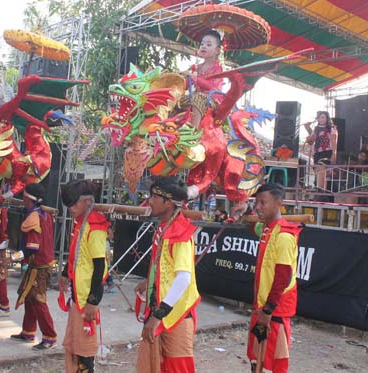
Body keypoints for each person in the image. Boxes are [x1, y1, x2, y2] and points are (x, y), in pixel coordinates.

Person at [135, 176, 200, 372]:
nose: (150, 201)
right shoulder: (166, 227)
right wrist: (150, 283)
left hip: (176, 315)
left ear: (169, 202)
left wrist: (157, 316)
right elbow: (167, 267)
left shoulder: (180, 233)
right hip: (162, 310)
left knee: (176, 367)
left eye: (154, 197)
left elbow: (183, 279)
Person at [247, 184, 301, 373]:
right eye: (256, 202)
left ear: (278, 203)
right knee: (256, 359)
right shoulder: (267, 228)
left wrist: (268, 310)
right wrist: (244, 210)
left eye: (263, 202)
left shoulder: (285, 236)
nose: (258, 207)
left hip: (274, 312)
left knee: (273, 363)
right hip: (261, 308)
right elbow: (254, 224)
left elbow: (283, 277)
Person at [59, 179, 109, 373]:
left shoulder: (95, 227)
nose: (70, 208)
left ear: (88, 201)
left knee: (84, 350)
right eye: (68, 204)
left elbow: (99, 267)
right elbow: (76, 253)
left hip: (86, 298)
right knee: (73, 344)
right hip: (77, 294)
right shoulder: (81, 222)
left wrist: (93, 301)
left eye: (73, 204)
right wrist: (65, 273)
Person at [12, 183, 58, 350]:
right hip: (41, 262)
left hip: (39, 264)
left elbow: (31, 247)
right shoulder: (44, 214)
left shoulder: (33, 217)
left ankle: (50, 336)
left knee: (38, 300)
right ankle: (28, 331)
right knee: (31, 298)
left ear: (27, 198)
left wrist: (12, 257)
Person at [183, 29, 224, 128]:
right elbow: (186, 86)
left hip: (212, 99)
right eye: (202, 44)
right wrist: (183, 77)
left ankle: (194, 130)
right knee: (179, 99)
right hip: (196, 97)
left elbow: (213, 87)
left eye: (209, 45)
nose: (204, 46)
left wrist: (193, 77)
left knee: (199, 97)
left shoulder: (218, 67)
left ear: (217, 51)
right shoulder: (196, 67)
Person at [304, 111, 338, 191]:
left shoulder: (331, 129)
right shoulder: (316, 128)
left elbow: (334, 142)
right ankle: (322, 191)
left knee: (321, 170)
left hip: (327, 152)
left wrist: (334, 154)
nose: (321, 119)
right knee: (318, 172)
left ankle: (320, 192)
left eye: (323, 117)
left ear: (327, 118)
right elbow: (311, 141)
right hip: (317, 153)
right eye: (319, 117)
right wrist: (308, 128)